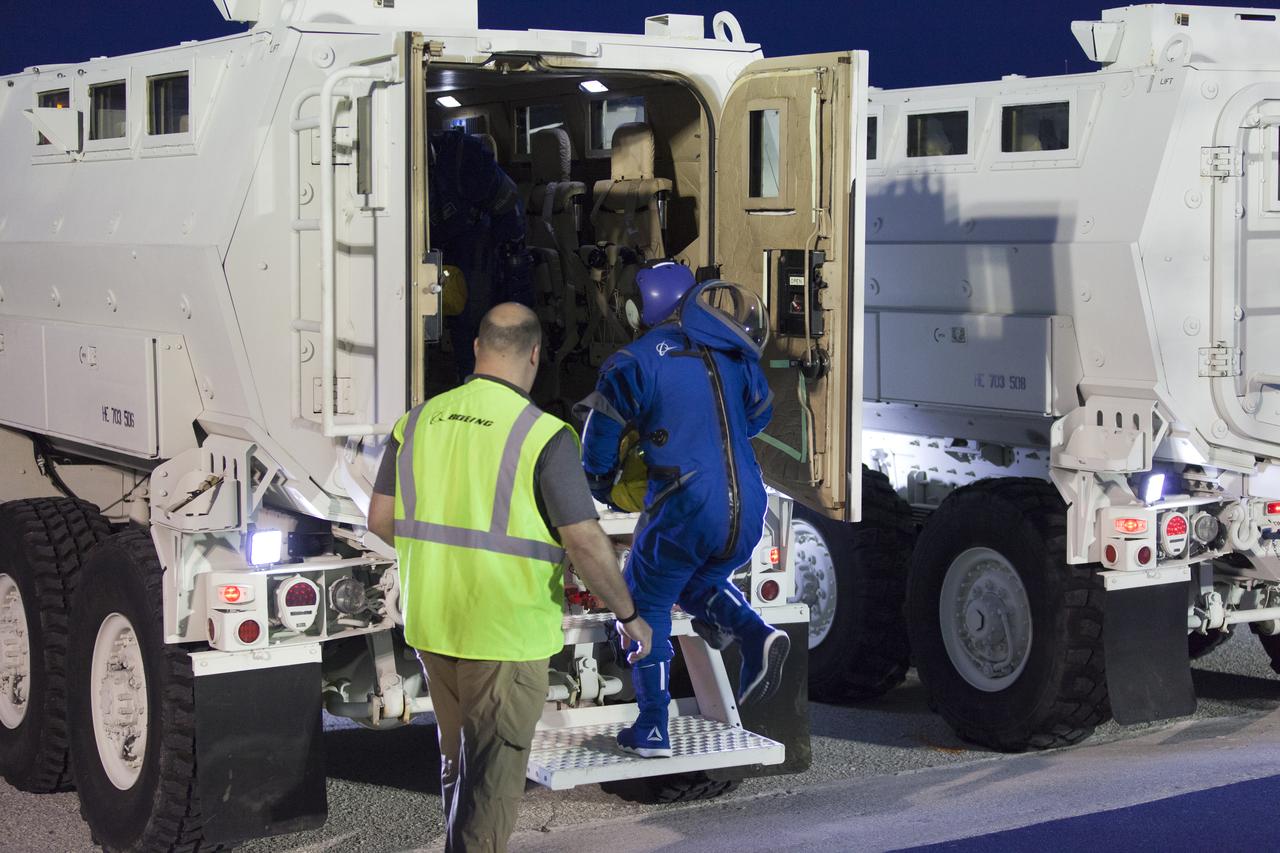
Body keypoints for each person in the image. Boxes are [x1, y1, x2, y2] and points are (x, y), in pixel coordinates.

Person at [368, 303, 651, 852]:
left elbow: (381, 521)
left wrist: (444, 562)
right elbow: (585, 542)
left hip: (433, 625)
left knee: (460, 767)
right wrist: (629, 614)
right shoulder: (544, 434)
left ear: (478, 349)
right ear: (536, 356)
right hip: (504, 635)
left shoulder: (419, 420)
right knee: (493, 786)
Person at [576, 260, 789, 758]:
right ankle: (757, 636)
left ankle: (652, 726)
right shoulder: (733, 351)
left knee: (643, 604)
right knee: (698, 582)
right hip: (748, 504)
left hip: (686, 503)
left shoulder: (638, 359)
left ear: (645, 304)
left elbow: (600, 436)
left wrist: (603, 484)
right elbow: (760, 415)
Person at [429, 128, 534, 381]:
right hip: (444, 251)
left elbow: (508, 208)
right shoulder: (408, 167)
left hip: (479, 249)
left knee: (473, 323)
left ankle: (478, 381)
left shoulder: (463, 158)